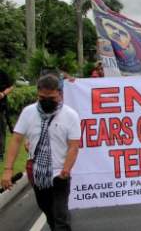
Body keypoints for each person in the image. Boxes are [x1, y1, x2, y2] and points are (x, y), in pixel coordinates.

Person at [1, 74, 81, 231]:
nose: (46, 101)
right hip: (38, 175)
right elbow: (16, 140)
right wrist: (7, 170)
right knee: (49, 213)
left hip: (60, 174)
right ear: (37, 94)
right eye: (42, 97)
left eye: (51, 97)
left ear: (59, 93)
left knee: (60, 217)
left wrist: (67, 168)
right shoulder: (28, 113)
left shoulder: (70, 115)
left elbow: (74, 145)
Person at [0, 68, 13, 161]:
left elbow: (11, 87)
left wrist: (3, 93)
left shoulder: (2, 73)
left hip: (1, 107)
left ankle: (0, 153)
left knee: (1, 130)